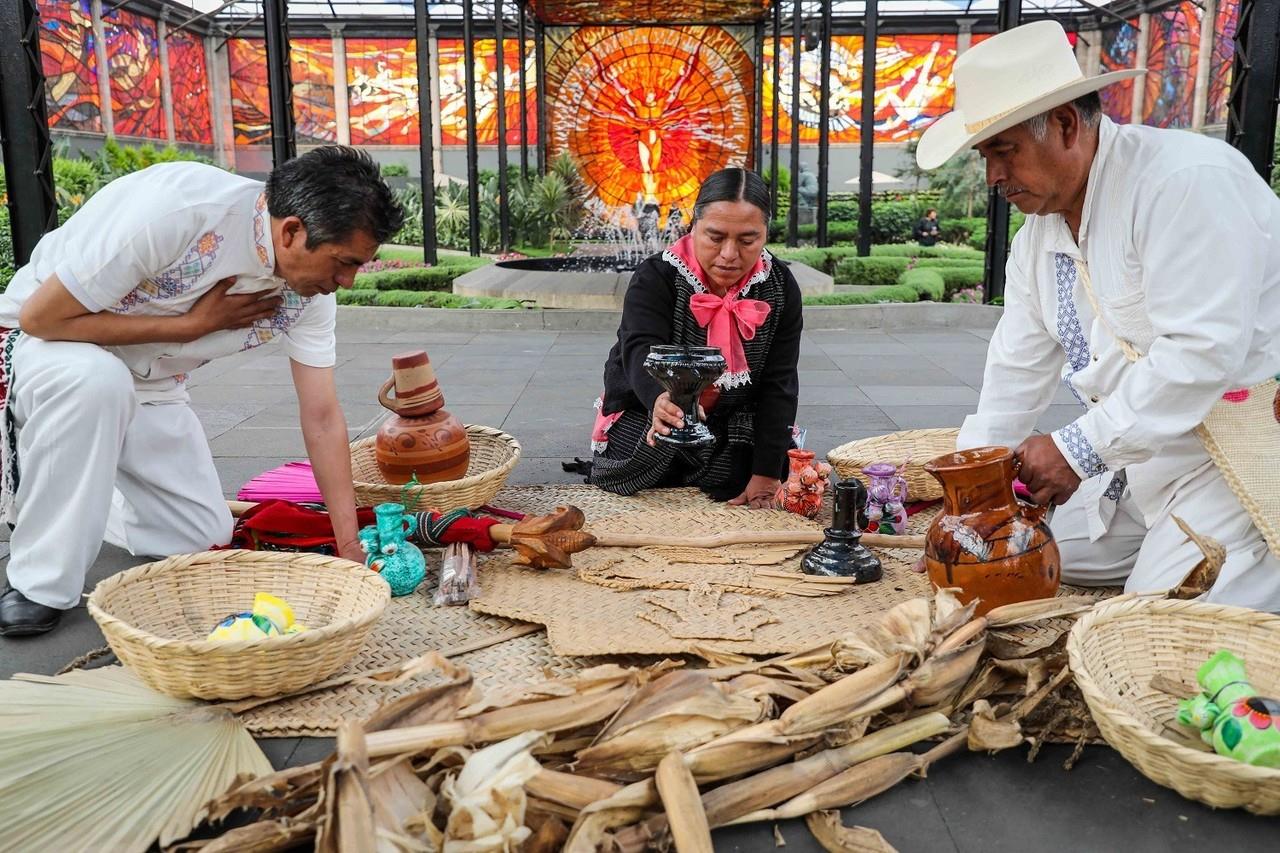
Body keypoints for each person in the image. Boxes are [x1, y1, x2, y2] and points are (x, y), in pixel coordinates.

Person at [916, 21, 1280, 610]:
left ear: (1064, 124)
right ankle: (1169, 552)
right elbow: (1017, 365)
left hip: (1234, 458)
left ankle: (1236, 567)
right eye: (986, 156)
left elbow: (1201, 351)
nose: (993, 178)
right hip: (1134, 460)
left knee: (1151, 627)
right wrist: (972, 495)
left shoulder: (1184, 181)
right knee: (997, 550)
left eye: (1003, 151)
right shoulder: (1039, 233)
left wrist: (1076, 450)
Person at [0, 146, 404, 636]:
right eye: (343, 262)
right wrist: (192, 326)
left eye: (358, 266)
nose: (345, 281)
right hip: (54, 350)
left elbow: (321, 415)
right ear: (292, 230)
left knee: (199, 537)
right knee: (97, 383)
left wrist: (348, 546)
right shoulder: (178, 212)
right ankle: (38, 584)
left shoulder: (309, 295)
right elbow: (41, 318)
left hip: (150, 381)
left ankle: (76, 483)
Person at [586, 168, 802, 506]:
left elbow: (780, 380)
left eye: (748, 240)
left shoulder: (780, 286)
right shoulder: (657, 276)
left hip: (732, 416)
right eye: (715, 237)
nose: (730, 254)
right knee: (642, 455)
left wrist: (766, 473)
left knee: (766, 463)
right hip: (650, 410)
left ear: (765, 234)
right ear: (693, 226)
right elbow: (638, 347)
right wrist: (659, 399)